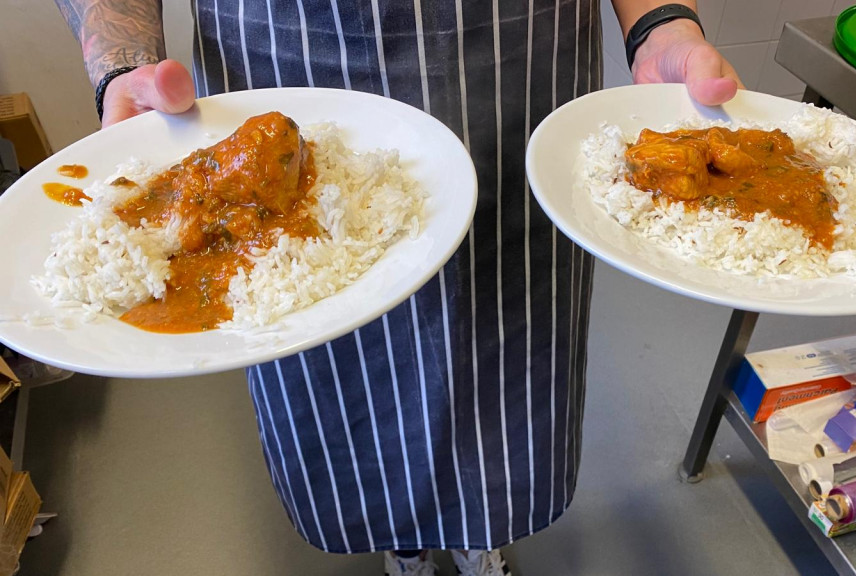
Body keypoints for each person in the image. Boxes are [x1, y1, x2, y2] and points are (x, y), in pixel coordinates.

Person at [56, 1, 739, 574]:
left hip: (516, 55)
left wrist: (662, 23)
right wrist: (124, 65)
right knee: (334, 346)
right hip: (283, 58)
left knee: (505, 324)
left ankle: (483, 535)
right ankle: (399, 541)